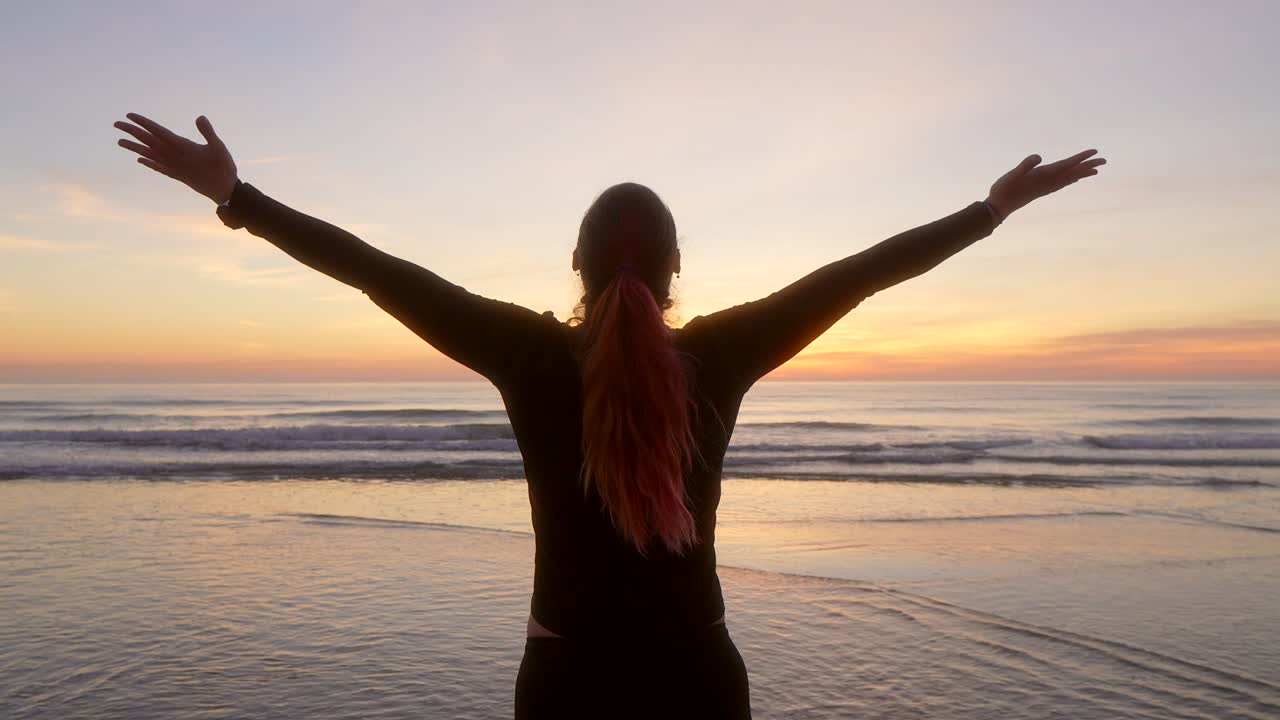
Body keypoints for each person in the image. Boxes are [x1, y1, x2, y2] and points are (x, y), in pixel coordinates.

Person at [112, 112, 1105, 719]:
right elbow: (857, 277)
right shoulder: (720, 350)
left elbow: (379, 273)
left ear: (575, 267)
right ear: (677, 270)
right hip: (697, 682)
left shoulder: (526, 352)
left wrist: (238, 197)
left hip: (565, 686)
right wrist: (988, 211)